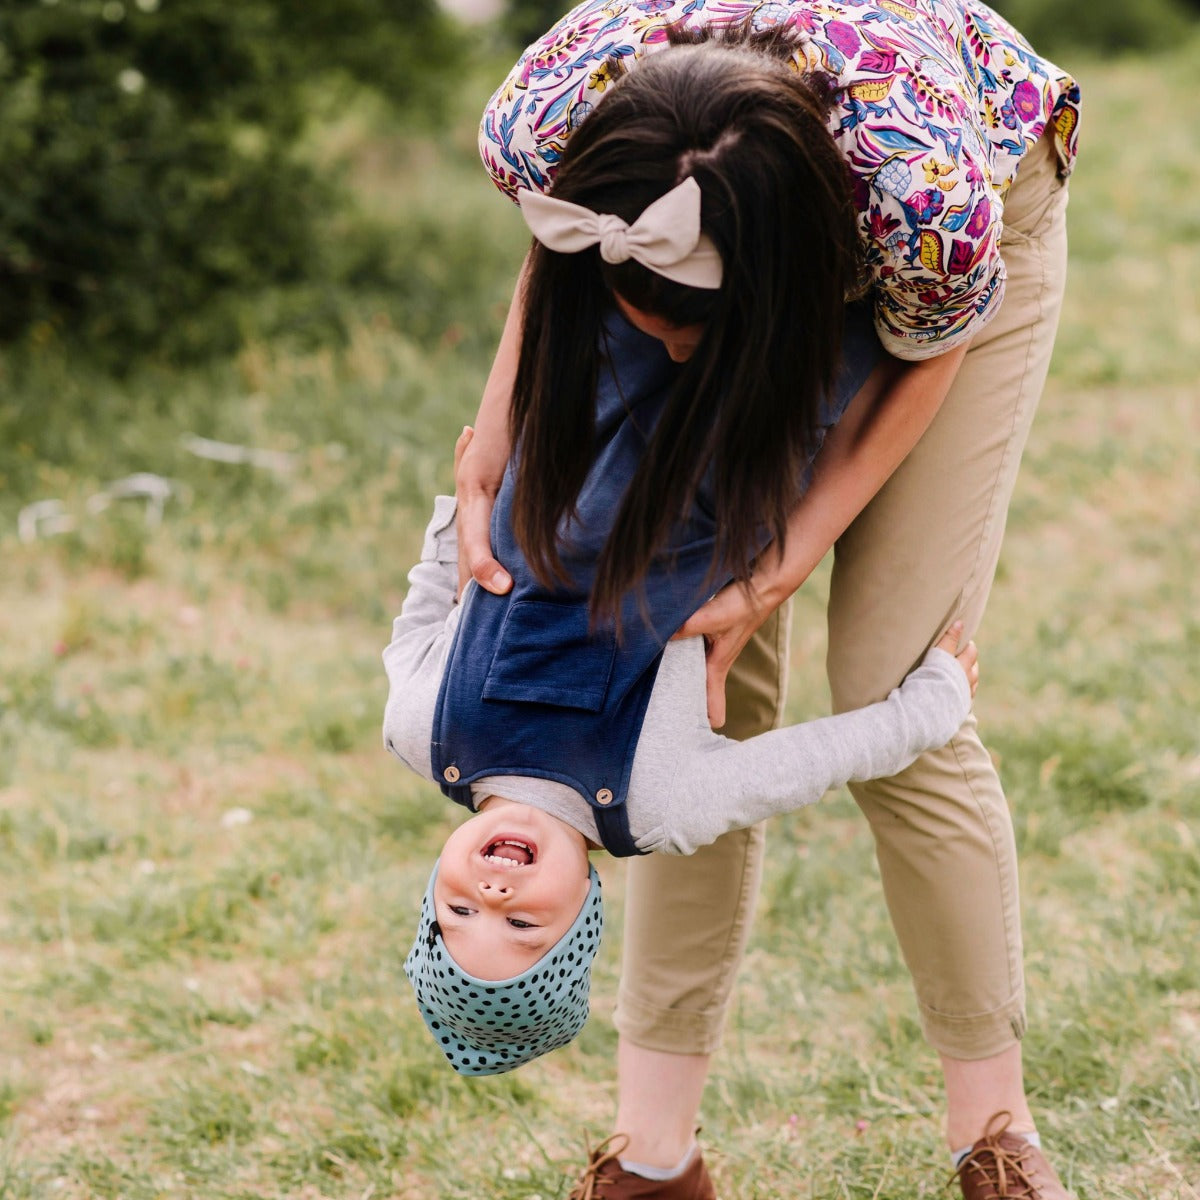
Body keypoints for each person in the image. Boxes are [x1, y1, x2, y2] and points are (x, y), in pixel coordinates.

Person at [456, 5, 1081, 1198]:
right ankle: (652, 1160)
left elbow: (927, 352)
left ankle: (996, 1139)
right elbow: (559, 249)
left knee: (900, 690)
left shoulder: (927, 209)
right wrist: (496, 429)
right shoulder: (541, 119)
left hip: (969, 230)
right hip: (720, 215)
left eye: (702, 335)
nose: (681, 364)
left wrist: (784, 558)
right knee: (673, 684)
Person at [387, 453, 978, 1076]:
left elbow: (425, 611)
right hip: (716, 464)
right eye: (523, 923)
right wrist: (928, 711)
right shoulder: (659, 803)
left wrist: (469, 500)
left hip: (575, 429)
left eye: (460, 912)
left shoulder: (421, 732)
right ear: (586, 909)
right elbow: (815, 761)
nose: (493, 893)